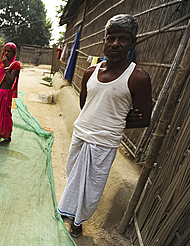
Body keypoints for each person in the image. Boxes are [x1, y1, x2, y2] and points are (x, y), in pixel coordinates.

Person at [57, 14, 152, 238]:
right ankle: (68, 211)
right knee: (73, 178)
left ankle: (78, 221)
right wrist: (106, 116)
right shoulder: (91, 72)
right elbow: (85, 104)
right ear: (104, 41)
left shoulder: (138, 78)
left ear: (133, 43)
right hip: (80, 135)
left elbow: (143, 118)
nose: (116, 44)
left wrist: (114, 121)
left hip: (104, 143)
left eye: (123, 39)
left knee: (91, 188)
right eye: (111, 38)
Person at [0, 42, 21, 144]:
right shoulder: (1, 65)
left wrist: (7, 66)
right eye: (5, 51)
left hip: (6, 95)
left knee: (5, 115)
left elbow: (10, 80)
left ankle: (7, 136)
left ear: (14, 53)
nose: (6, 53)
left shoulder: (15, 65)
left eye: (9, 51)